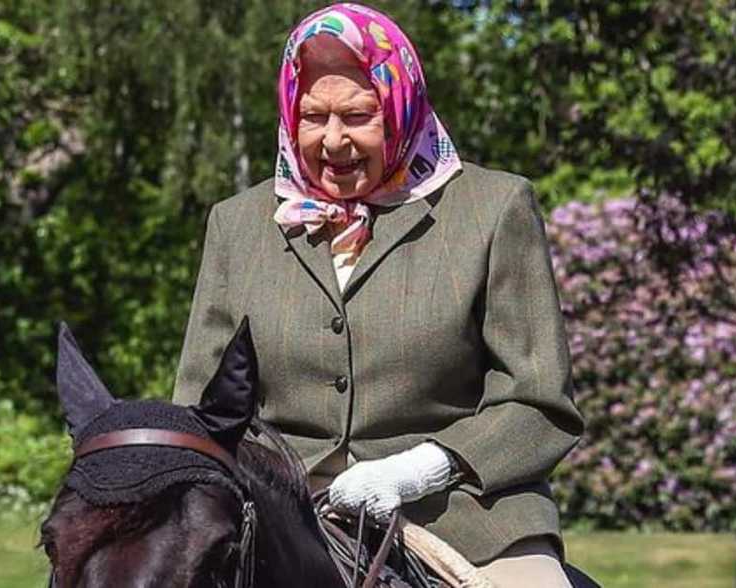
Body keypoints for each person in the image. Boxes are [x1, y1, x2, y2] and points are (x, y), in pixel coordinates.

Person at [172, 4, 584, 586]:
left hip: (466, 516)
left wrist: (418, 471)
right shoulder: (237, 224)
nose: (333, 140)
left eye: (358, 115)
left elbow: (540, 403)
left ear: (400, 107)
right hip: (277, 521)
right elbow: (204, 406)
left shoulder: (495, 209)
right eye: (312, 117)